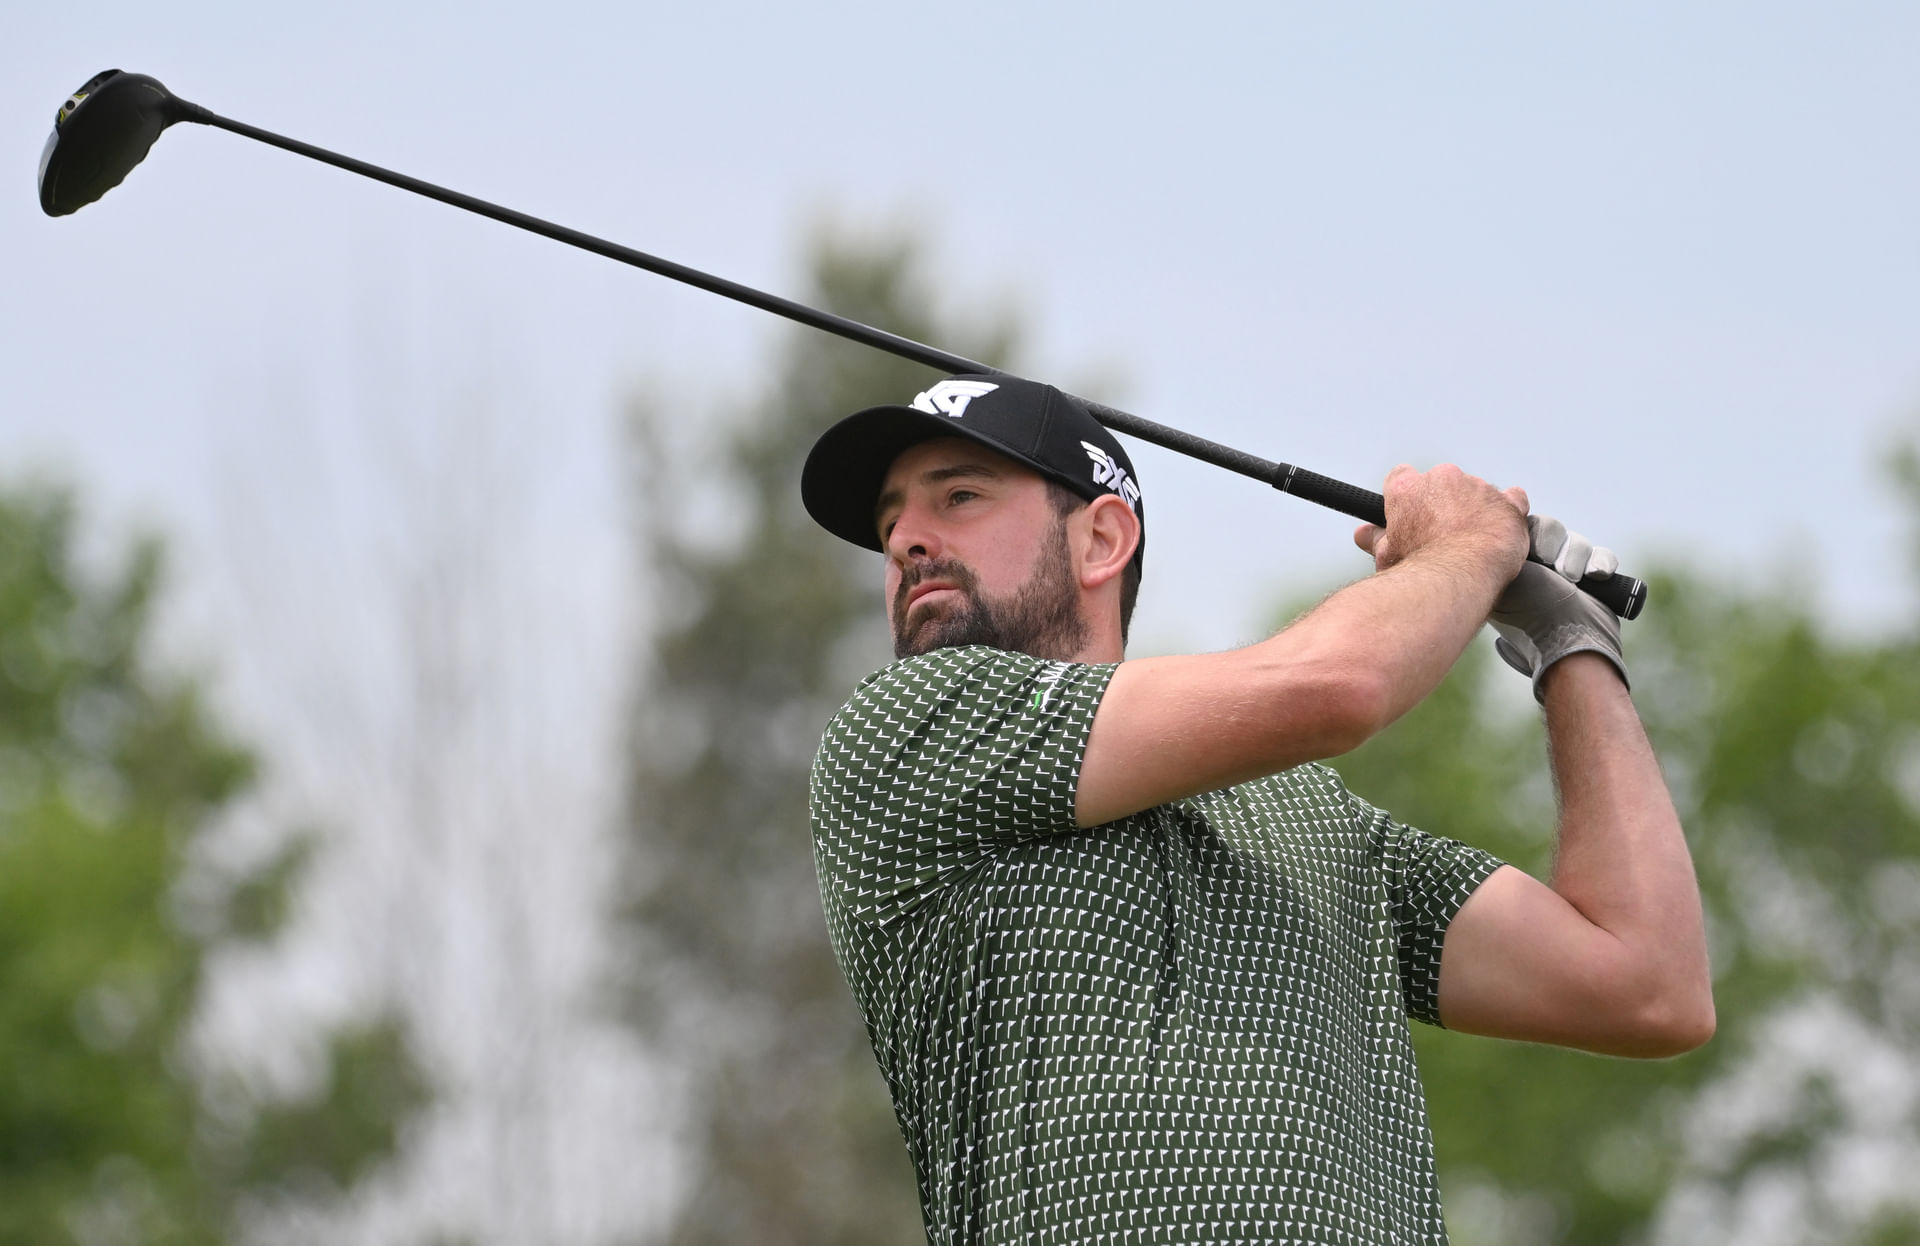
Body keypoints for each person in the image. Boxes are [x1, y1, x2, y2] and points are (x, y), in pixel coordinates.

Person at [799, 374, 1713, 1245]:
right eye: (890, 521)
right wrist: (1470, 547)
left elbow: (1647, 983)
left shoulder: (1312, 818)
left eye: (956, 497)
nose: (906, 539)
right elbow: (1339, 686)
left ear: (1100, 540)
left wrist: (1570, 645)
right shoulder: (904, 736)